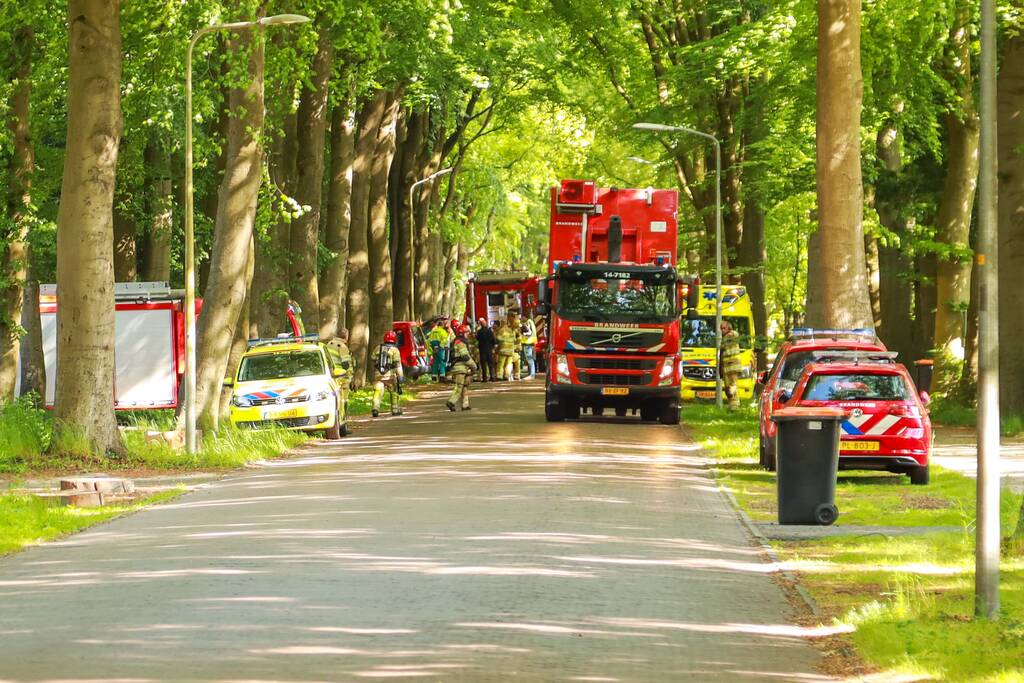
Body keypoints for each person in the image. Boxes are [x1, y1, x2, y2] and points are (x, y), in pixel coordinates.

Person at [372, 331, 405, 417]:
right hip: (390, 376)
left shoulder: (378, 348)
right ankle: (395, 409)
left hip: (378, 375)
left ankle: (375, 408)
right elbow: (398, 364)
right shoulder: (395, 350)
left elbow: (373, 358)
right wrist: (400, 376)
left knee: (378, 391)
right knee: (394, 392)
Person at [447, 323, 478, 411]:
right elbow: (465, 356)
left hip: (460, 367)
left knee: (464, 386)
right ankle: (451, 402)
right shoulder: (460, 342)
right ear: (462, 333)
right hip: (459, 368)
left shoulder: (458, 341)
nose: (468, 334)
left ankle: (465, 405)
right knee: (459, 386)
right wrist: (474, 366)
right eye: (466, 332)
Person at [323, 328, 353, 413]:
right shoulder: (342, 347)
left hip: (331, 375)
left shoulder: (329, 344)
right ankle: (343, 415)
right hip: (342, 376)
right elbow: (345, 364)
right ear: (346, 336)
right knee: (344, 398)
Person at [720, 320, 743, 411]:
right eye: (721, 328)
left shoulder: (732, 335)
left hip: (732, 366)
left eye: (724, 328)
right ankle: (732, 405)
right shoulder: (725, 338)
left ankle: (735, 406)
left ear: (729, 328)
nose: (722, 330)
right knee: (727, 387)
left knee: (732, 386)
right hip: (726, 367)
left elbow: (733, 335)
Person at [476, 317, 497, 382]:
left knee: (483, 364)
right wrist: (493, 346)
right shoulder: (490, 331)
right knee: (490, 364)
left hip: (482, 350)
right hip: (489, 350)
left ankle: (484, 378)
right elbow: (493, 340)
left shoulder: (479, 332)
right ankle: (492, 377)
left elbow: (478, 339)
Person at [520, 313, 538, 379]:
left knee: (529, 359)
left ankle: (532, 374)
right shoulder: (531, 322)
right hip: (530, 343)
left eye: (522, 317)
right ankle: (531, 373)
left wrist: (522, 333)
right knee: (530, 359)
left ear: (525, 317)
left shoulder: (528, 322)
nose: (521, 319)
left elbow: (529, 333)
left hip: (528, 343)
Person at [507, 311, 523, 380]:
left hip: (515, 346)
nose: (508, 319)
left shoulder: (516, 325)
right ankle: (513, 374)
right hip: (511, 346)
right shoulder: (510, 325)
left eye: (509, 317)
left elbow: (518, 336)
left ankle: (516, 375)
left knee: (516, 362)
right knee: (511, 361)